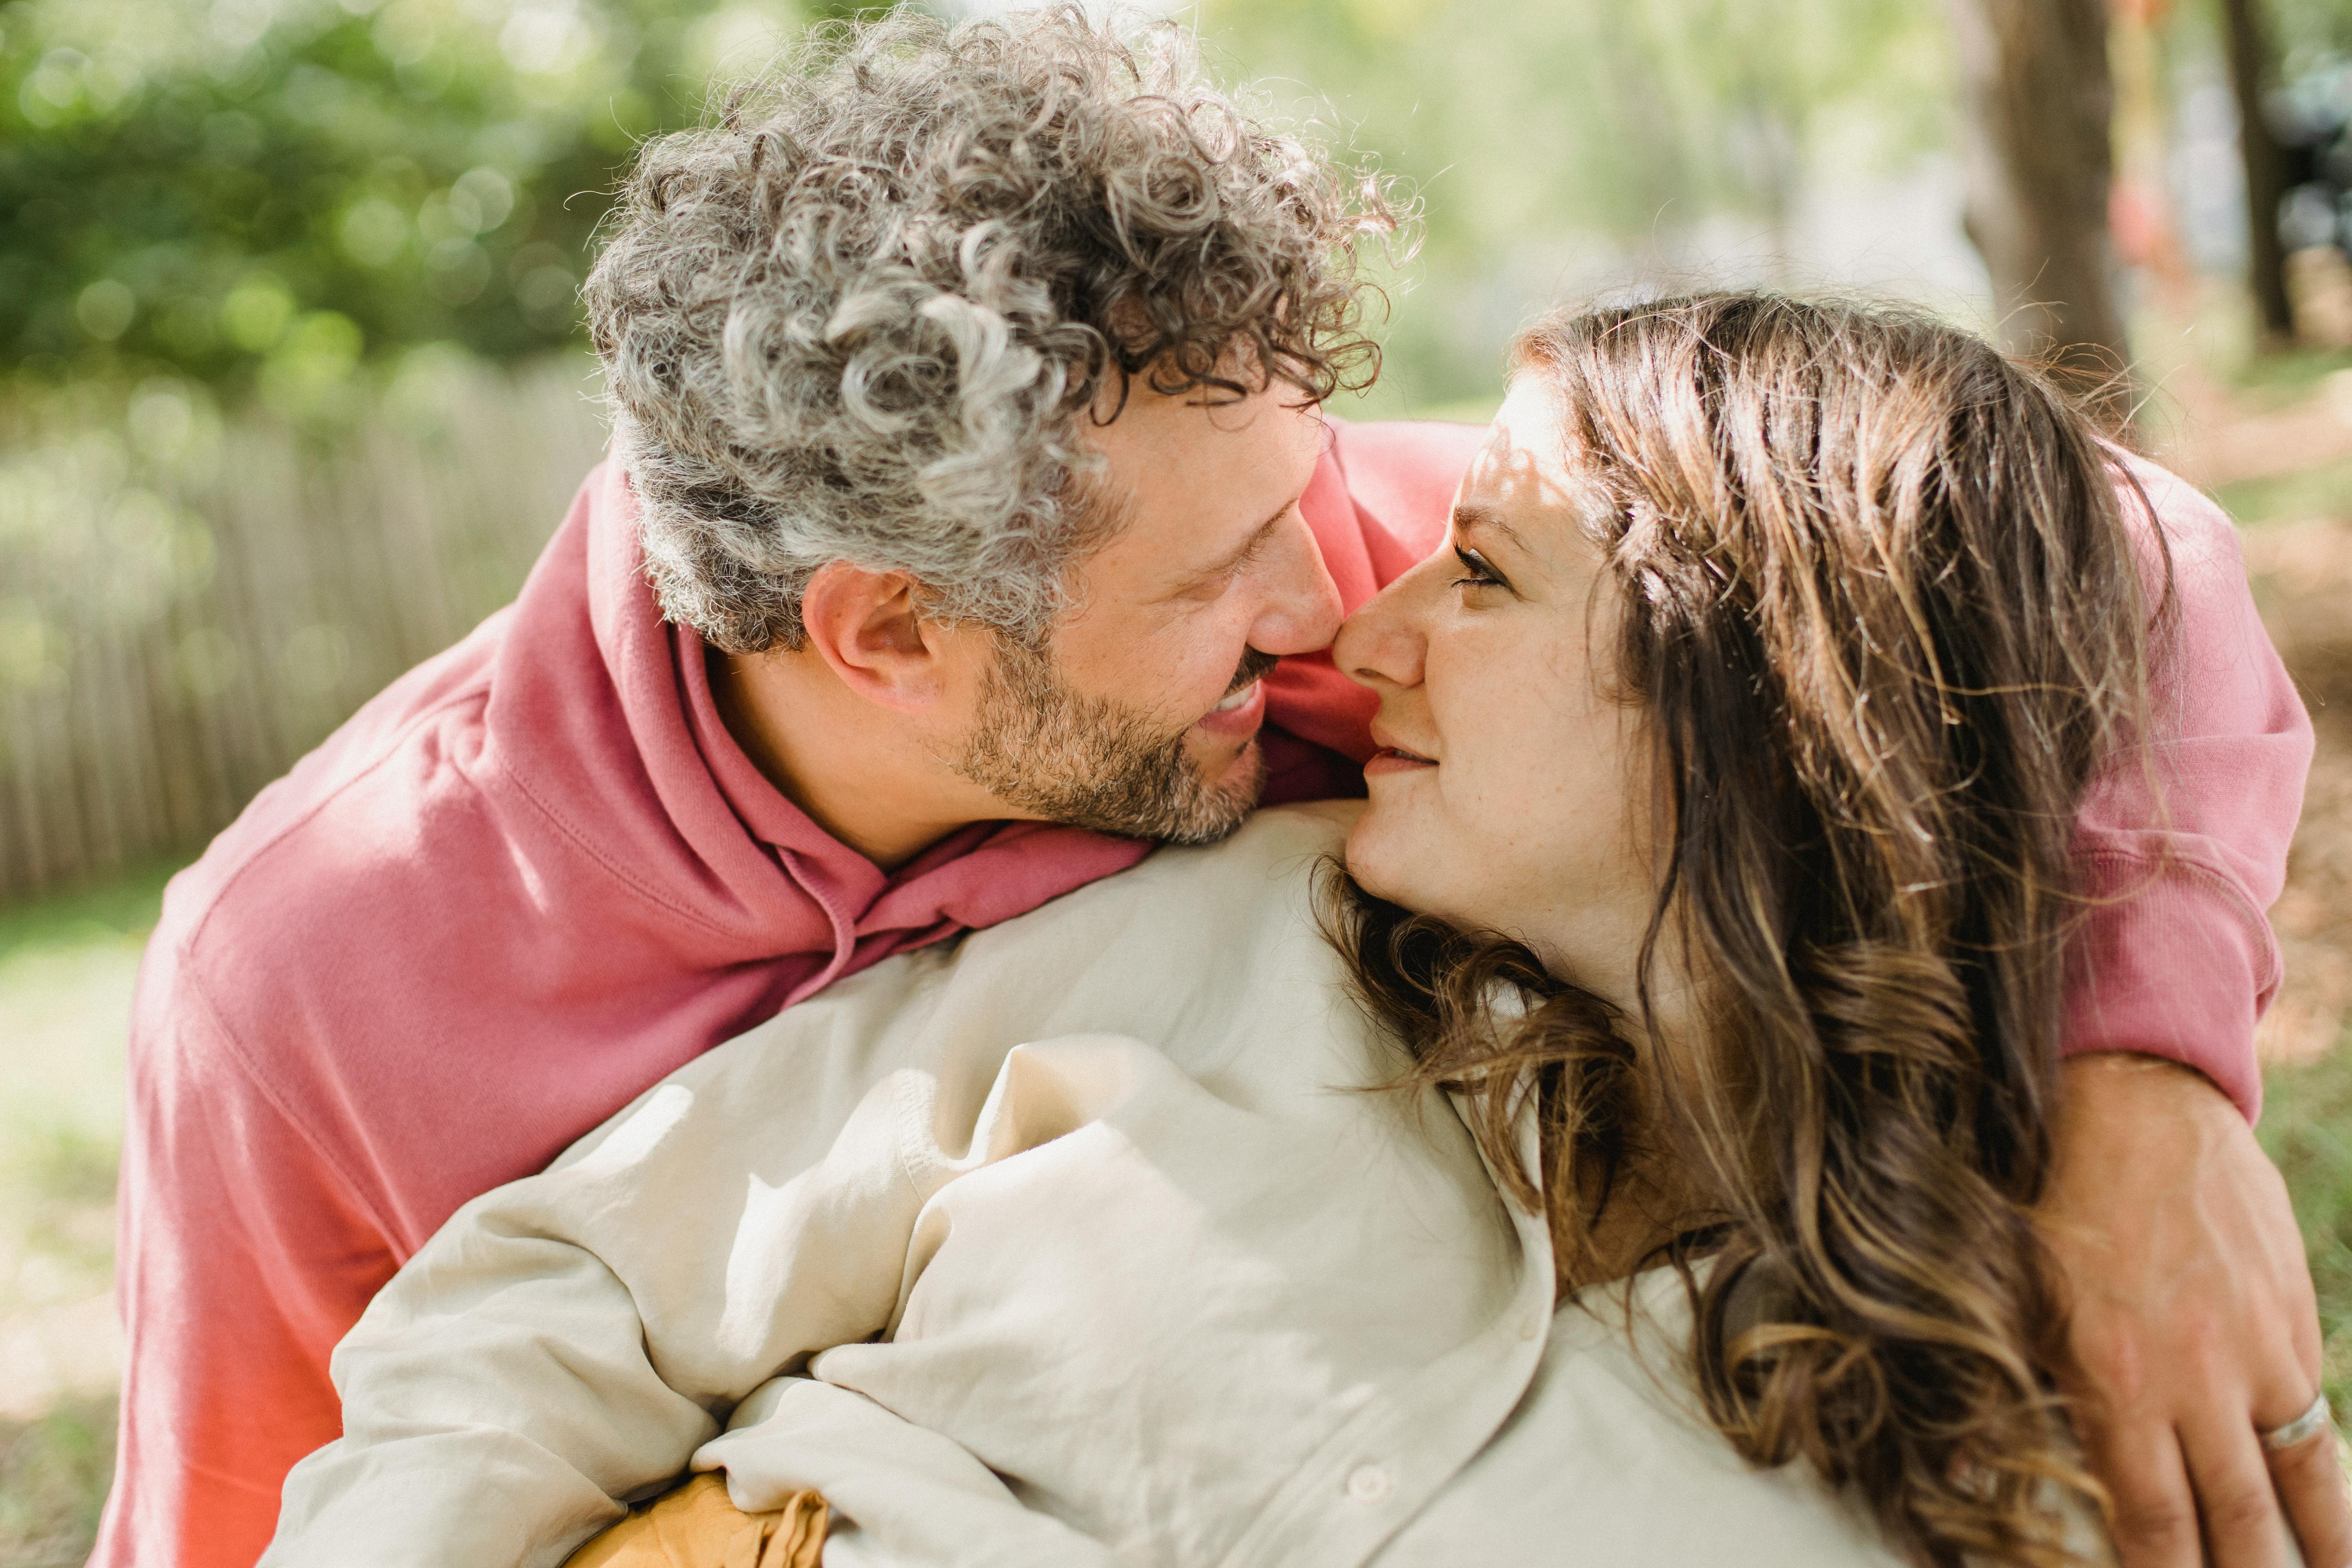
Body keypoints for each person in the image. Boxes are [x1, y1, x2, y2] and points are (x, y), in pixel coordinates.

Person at [97, 11, 2334, 1568]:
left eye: (1323, 491)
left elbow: (2060, 535)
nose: (1340, 601)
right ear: (889, 629)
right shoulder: (307, 977)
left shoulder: (1359, 598)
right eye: (1223, 571)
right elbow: (262, 1496)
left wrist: (2148, 1085)